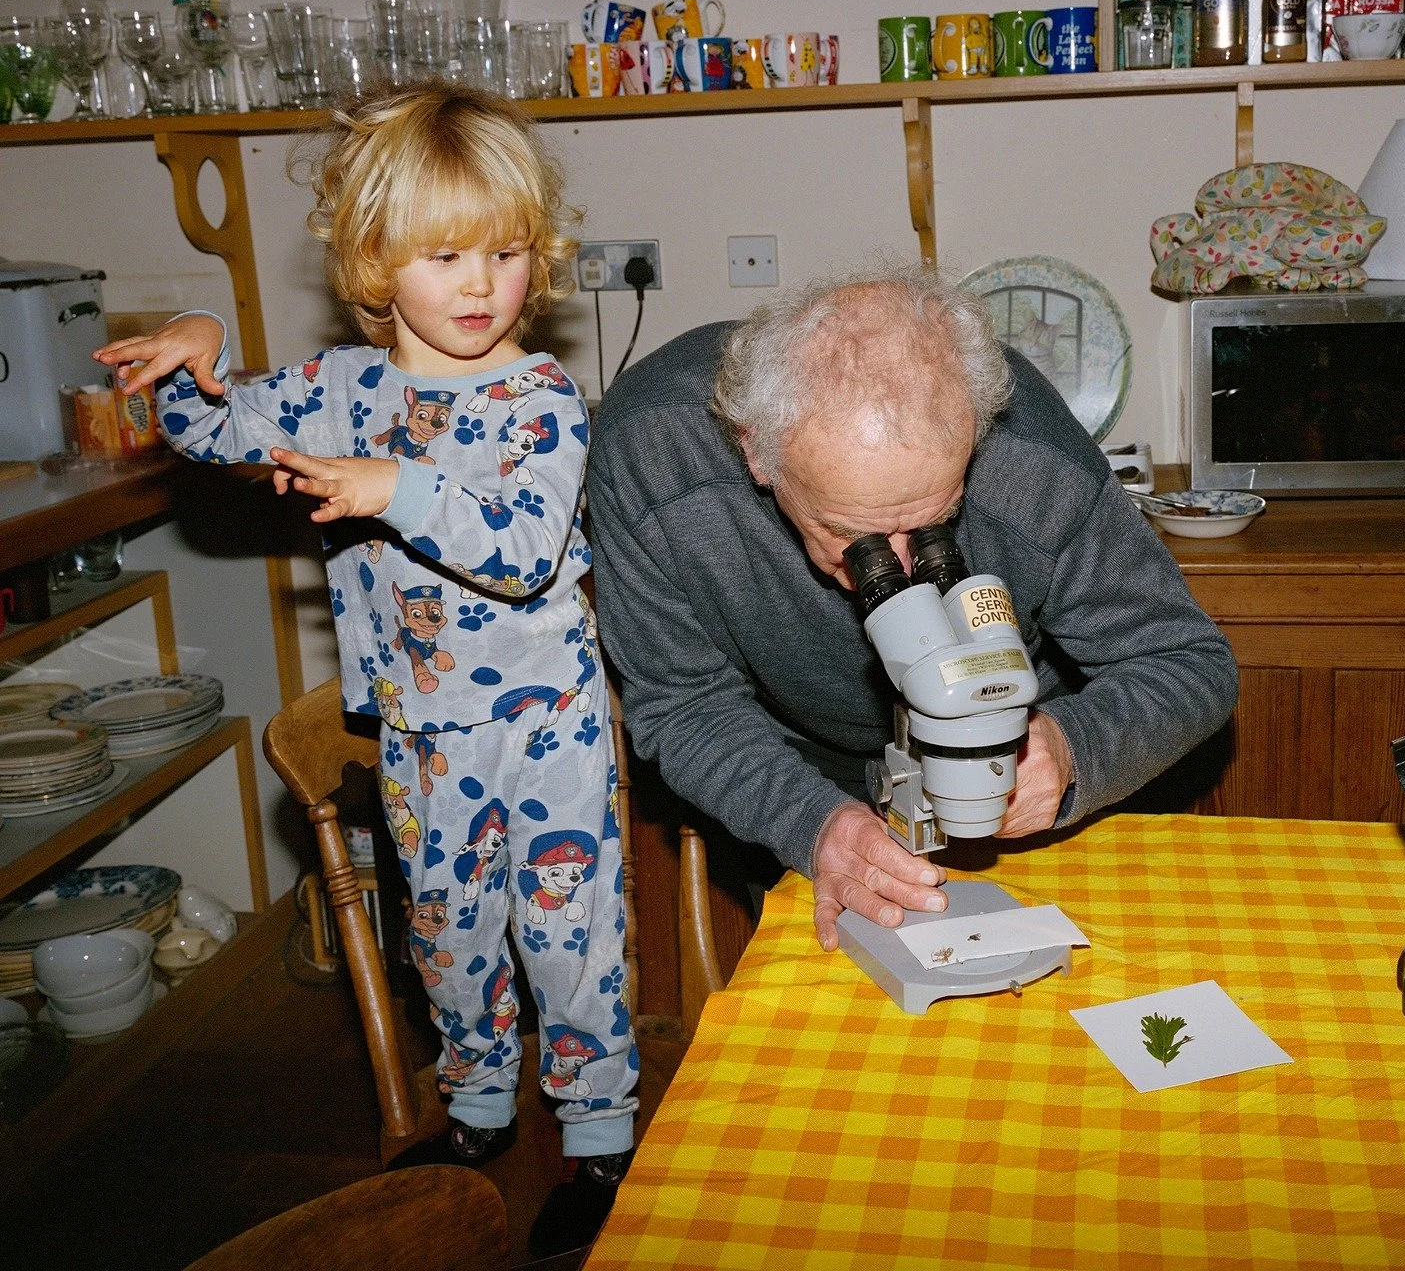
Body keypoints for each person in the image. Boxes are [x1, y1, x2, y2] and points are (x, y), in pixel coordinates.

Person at [95, 86, 634, 1257]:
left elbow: (524, 545)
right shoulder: (342, 389)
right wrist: (199, 358)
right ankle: (481, 1109)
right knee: (441, 928)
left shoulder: (536, 400)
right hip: (419, 729)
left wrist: (397, 486)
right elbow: (223, 431)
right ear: (376, 260)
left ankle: (599, 1137)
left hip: (546, 730)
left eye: (505, 250)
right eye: (446, 255)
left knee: (564, 932)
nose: (482, 282)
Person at [586, 265, 1238, 948]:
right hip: (792, 763)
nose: (896, 572)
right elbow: (685, 702)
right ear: (754, 449)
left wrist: (1075, 750)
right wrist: (812, 825)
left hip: (1014, 758)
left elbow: (1188, 664)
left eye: (934, 523)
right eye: (852, 536)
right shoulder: (653, 450)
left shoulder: (1034, 461)